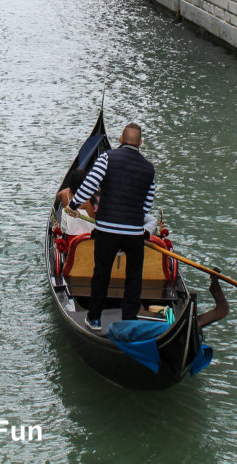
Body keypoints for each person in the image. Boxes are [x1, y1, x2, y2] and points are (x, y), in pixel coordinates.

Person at [67, 123, 154, 331]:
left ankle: (94, 319)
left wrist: (73, 204)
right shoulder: (149, 168)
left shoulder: (107, 158)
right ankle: (129, 321)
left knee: (102, 273)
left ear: (121, 140)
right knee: (134, 277)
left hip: (106, 230)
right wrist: (132, 221)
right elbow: (147, 203)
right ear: (140, 143)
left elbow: (88, 184)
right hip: (134, 233)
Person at [57, 168, 95, 236]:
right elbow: (93, 220)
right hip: (87, 238)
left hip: (70, 237)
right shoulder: (88, 200)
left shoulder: (63, 194)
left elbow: (57, 197)